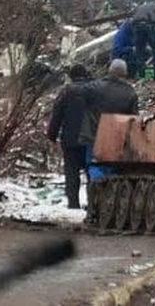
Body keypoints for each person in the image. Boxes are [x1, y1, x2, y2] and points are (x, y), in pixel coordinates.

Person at [45, 64, 95, 209]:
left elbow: (57, 116)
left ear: (71, 77)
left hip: (70, 139)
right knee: (91, 171)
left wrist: (52, 136)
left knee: (72, 172)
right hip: (90, 139)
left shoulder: (66, 92)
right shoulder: (94, 90)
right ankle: (93, 203)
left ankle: (73, 204)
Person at [130, 1, 155, 79]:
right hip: (151, 25)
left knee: (139, 51)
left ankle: (141, 75)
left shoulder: (139, 7)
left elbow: (132, 20)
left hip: (137, 26)